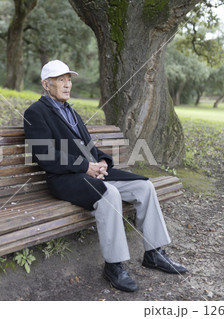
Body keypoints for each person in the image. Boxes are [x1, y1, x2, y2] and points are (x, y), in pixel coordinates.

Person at [23, 60, 187, 292]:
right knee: (109, 193)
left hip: (87, 173)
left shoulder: (71, 112)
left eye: (69, 80)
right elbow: (44, 155)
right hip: (63, 180)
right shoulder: (35, 112)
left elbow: (89, 147)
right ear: (46, 84)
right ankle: (114, 266)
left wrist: (101, 162)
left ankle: (154, 253)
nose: (67, 84)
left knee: (144, 186)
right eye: (61, 80)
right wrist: (84, 167)